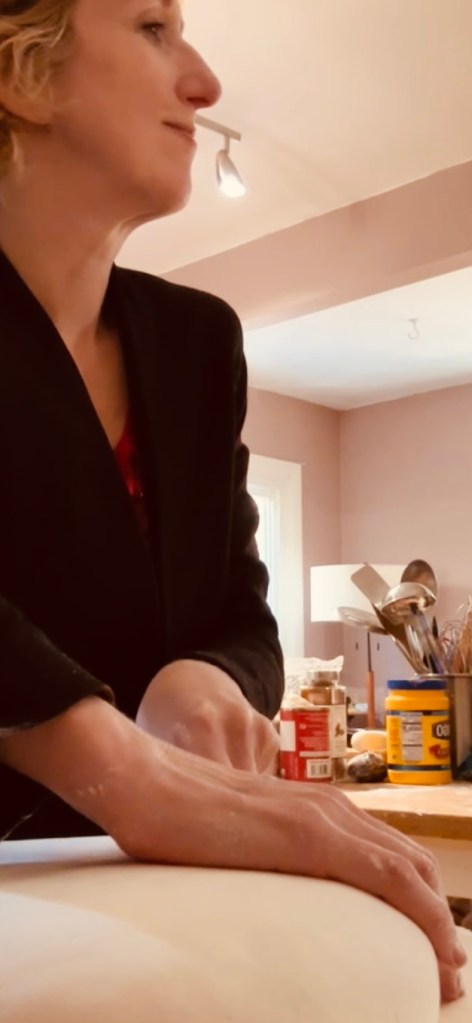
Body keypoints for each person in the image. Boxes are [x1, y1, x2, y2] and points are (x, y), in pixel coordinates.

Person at [0, 0, 466, 1003]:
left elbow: (243, 613)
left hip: (147, 893)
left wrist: (202, 678)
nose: (206, 83)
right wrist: (128, 776)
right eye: (153, 27)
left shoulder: (198, 343)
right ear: (20, 70)